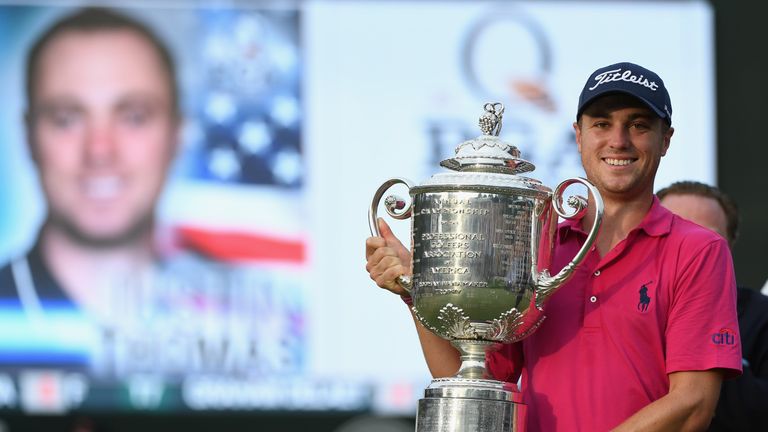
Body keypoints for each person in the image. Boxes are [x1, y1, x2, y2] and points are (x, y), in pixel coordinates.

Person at [366, 62, 742, 431]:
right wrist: (416, 289)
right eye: (601, 124)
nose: (619, 140)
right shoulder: (538, 247)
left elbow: (693, 404)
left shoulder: (698, 250)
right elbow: (475, 378)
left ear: (666, 140)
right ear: (578, 136)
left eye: (639, 125)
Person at [657, 181, 768, 432]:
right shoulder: (610, 304)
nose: (690, 251)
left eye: (706, 239)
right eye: (672, 237)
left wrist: (713, 356)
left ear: (730, 244)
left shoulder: (762, 316)